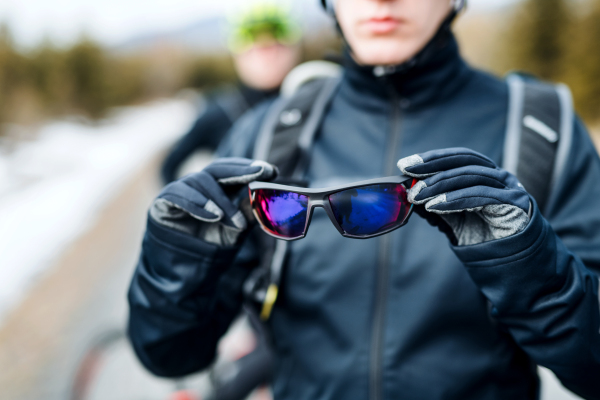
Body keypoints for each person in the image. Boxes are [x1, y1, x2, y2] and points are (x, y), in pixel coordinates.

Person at [128, 0, 600, 399]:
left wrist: (528, 263)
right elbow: (170, 355)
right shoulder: (268, 133)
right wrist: (176, 263)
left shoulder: (542, 129)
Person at [160, 3, 301, 184]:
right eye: (253, 38)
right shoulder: (219, 113)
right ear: (237, 50)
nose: (267, 50)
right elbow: (169, 167)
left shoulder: (321, 100)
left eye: (277, 34)